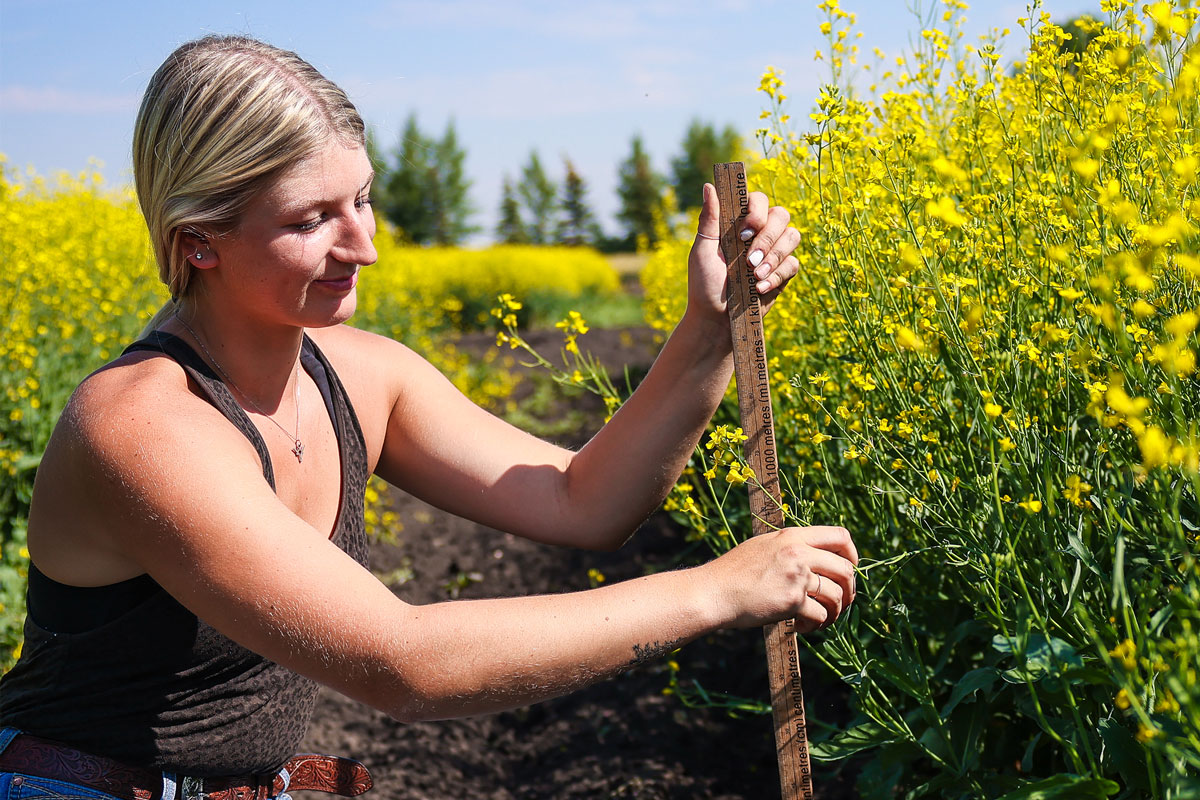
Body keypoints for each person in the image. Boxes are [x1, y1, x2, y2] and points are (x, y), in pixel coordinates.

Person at [0, 34, 858, 800]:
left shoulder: (361, 375)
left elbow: (581, 500)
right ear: (199, 239)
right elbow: (404, 665)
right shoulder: (144, 425)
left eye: (363, 199)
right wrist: (716, 590)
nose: (365, 245)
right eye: (312, 219)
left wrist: (706, 333)